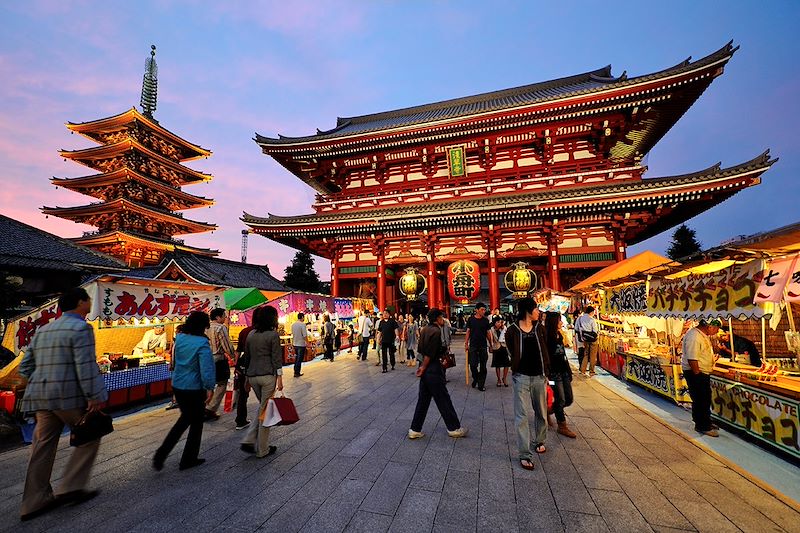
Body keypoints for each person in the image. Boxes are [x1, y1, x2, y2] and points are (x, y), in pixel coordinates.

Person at [18, 287, 108, 521]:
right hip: (67, 395)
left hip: (40, 394)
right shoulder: (81, 328)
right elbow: (85, 364)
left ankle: (33, 502)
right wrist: (94, 395)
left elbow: (25, 367)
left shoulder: (44, 329)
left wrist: (41, 380)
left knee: (42, 446)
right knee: (90, 434)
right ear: (80, 302)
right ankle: (70, 486)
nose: (90, 303)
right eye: (88, 300)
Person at [153, 311, 216, 472]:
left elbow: (173, 361)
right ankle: (184, 457)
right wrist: (210, 387)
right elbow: (206, 368)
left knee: (186, 419)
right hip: (194, 387)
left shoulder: (179, 338)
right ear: (203, 326)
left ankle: (164, 454)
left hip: (178, 384)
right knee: (194, 423)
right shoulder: (202, 343)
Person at [408, 308, 468, 440]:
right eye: (441, 317)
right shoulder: (435, 331)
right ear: (437, 318)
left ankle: (415, 429)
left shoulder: (424, 330)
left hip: (424, 367)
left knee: (423, 400)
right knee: (443, 399)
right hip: (432, 368)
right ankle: (453, 428)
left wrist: (422, 366)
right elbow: (430, 353)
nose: (443, 319)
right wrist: (423, 367)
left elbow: (422, 350)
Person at [505, 297, 551, 470]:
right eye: (536, 309)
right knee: (522, 415)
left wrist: (547, 372)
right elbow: (510, 348)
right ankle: (524, 454)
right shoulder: (512, 330)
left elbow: (546, 349)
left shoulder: (540, 329)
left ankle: (539, 440)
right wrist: (515, 366)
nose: (538, 312)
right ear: (527, 311)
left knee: (541, 411)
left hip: (539, 375)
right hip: (521, 377)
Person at [240, 306, 284, 458]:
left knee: (262, 408)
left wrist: (246, 378)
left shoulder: (251, 334)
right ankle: (262, 449)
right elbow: (277, 359)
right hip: (267, 377)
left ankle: (250, 439)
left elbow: (247, 358)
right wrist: (280, 378)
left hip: (252, 376)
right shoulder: (273, 335)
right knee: (265, 412)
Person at [682, 319, 722, 437]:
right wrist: (697, 374)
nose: (718, 331)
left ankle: (705, 421)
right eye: (716, 328)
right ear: (709, 326)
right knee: (701, 398)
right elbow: (692, 358)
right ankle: (702, 426)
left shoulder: (701, 335)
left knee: (704, 398)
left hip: (700, 372)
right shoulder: (694, 336)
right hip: (696, 372)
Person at [544, 312, 576, 438]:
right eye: (559, 320)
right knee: (560, 399)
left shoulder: (559, 335)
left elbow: (563, 354)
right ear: (553, 322)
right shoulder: (546, 337)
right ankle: (562, 426)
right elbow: (545, 357)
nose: (562, 323)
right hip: (553, 374)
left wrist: (569, 370)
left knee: (569, 398)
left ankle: (548, 411)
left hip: (564, 371)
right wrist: (547, 374)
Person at [205, 308, 235, 420]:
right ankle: (211, 408)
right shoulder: (220, 327)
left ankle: (204, 405)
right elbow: (226, 345)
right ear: (217, 317)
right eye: (224, 316)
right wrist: (232, 355)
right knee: (222, 383)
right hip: (218, 359)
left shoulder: (205, 327)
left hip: (205, 359)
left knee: (208, 384)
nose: (225, 318)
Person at [234, 309, 261, 430]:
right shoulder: (266, 332)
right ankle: (264, 421)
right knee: (264, 397)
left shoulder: (245, 331)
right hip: (259, 368)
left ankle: (240, 420)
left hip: (243, 366)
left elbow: (238, 350)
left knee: (242, 395)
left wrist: (236, 365)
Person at [465, 302, 492, 391]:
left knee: (483, 366)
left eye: (484, 310)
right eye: (481, 310)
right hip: (473, 345)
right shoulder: (471, 320)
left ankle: (481, 384)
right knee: (473, 365)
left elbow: (488, 333)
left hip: (483, 346)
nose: (483, 311)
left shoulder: (486, 320)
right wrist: (466, 343)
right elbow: (468, 331)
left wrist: (491, 345)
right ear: (476, 310)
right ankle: (476, 378)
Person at [575, 306, 599, 376]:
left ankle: (583, 370)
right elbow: (595, 330)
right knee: (593, 355)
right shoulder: (592, 320)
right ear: (591, 312)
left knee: (585, 354)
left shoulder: (579, 319)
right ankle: (591, 371)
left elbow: (576, 328)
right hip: (592, 340)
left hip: (584, 339)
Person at [490, 316, 511, 387]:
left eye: (500, 322)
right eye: (497, 322)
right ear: (494, 322)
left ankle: (504, 378)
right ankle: (498, 379)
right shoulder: (492, 329)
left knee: (506, 364)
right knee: (497, 365)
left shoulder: (504, 328)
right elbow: (491, 339)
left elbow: (508, 337)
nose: (499, 323)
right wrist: (490, 346)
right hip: (496, 347)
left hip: (504, 347)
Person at [291, 313, 308, 377]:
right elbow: (305, 335)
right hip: (301, 344)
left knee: (296, 358)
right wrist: (308, 343)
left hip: (295, 344)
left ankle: (295, 371)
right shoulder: (302, 324)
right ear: (302, 317)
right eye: (304, 317)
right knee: (299, 359)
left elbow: (293, 334)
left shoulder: (293, 325)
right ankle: (297, 372)